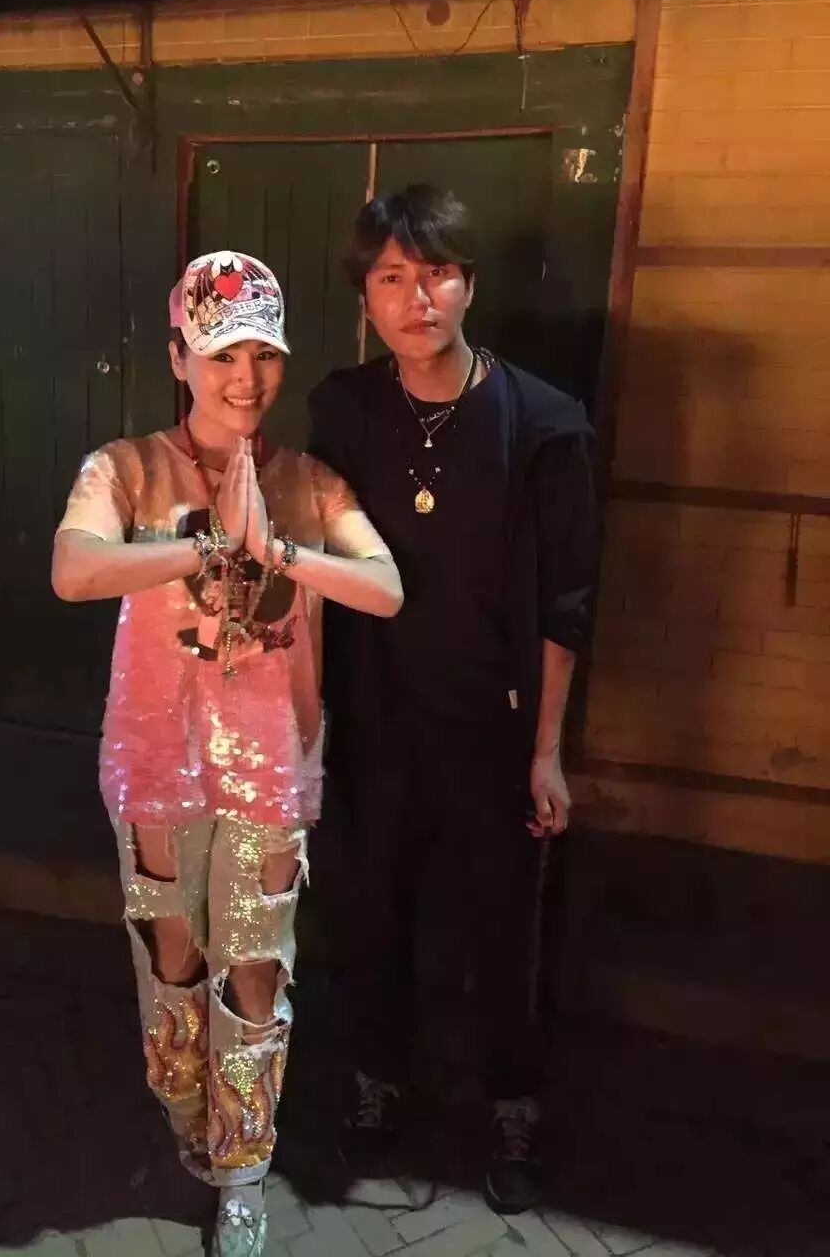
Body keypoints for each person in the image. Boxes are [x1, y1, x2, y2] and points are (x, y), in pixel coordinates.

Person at [52, 250, 401, 1257]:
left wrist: (278, 549)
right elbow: (75, 568)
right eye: (221, 354)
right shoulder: (124, 467)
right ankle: (188, 1117)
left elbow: (385, 588)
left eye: (263, 354)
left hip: (270, 769)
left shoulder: (311, 481)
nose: (245, 377)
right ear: (179, 356)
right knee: (173, 960)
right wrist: (208, 547)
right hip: (157, 760)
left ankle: (244, 1166)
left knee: (254, 968)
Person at [307, 185, 596, 1214]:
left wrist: (546, 750)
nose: (415, 297)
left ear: (468, 284)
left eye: (435, 274)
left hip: (492, 722)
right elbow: (313, 562)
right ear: (367, 296)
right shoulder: (343, 410)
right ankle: (376, 1080)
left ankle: (513, 1103)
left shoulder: (544, 423)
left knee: (501, 923)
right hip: (375, 718)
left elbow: (565, 605)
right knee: (370, 909)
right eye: (391, 277)